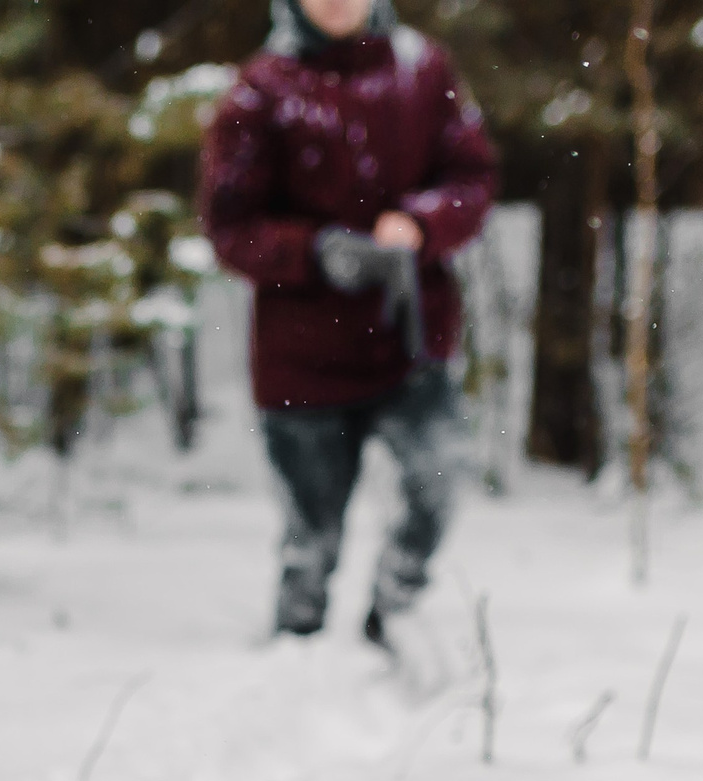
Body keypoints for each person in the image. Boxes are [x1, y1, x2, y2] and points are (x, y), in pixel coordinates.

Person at [198, 0, 498, 648]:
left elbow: (472, 181)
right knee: (311, 537)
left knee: (439, 483)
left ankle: (392, 620)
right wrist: (314, 252)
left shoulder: (424, 70)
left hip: (409, 342)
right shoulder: (261, 91)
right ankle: (294, 659)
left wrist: (422, 223)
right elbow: (229, 227)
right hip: (300, 359)